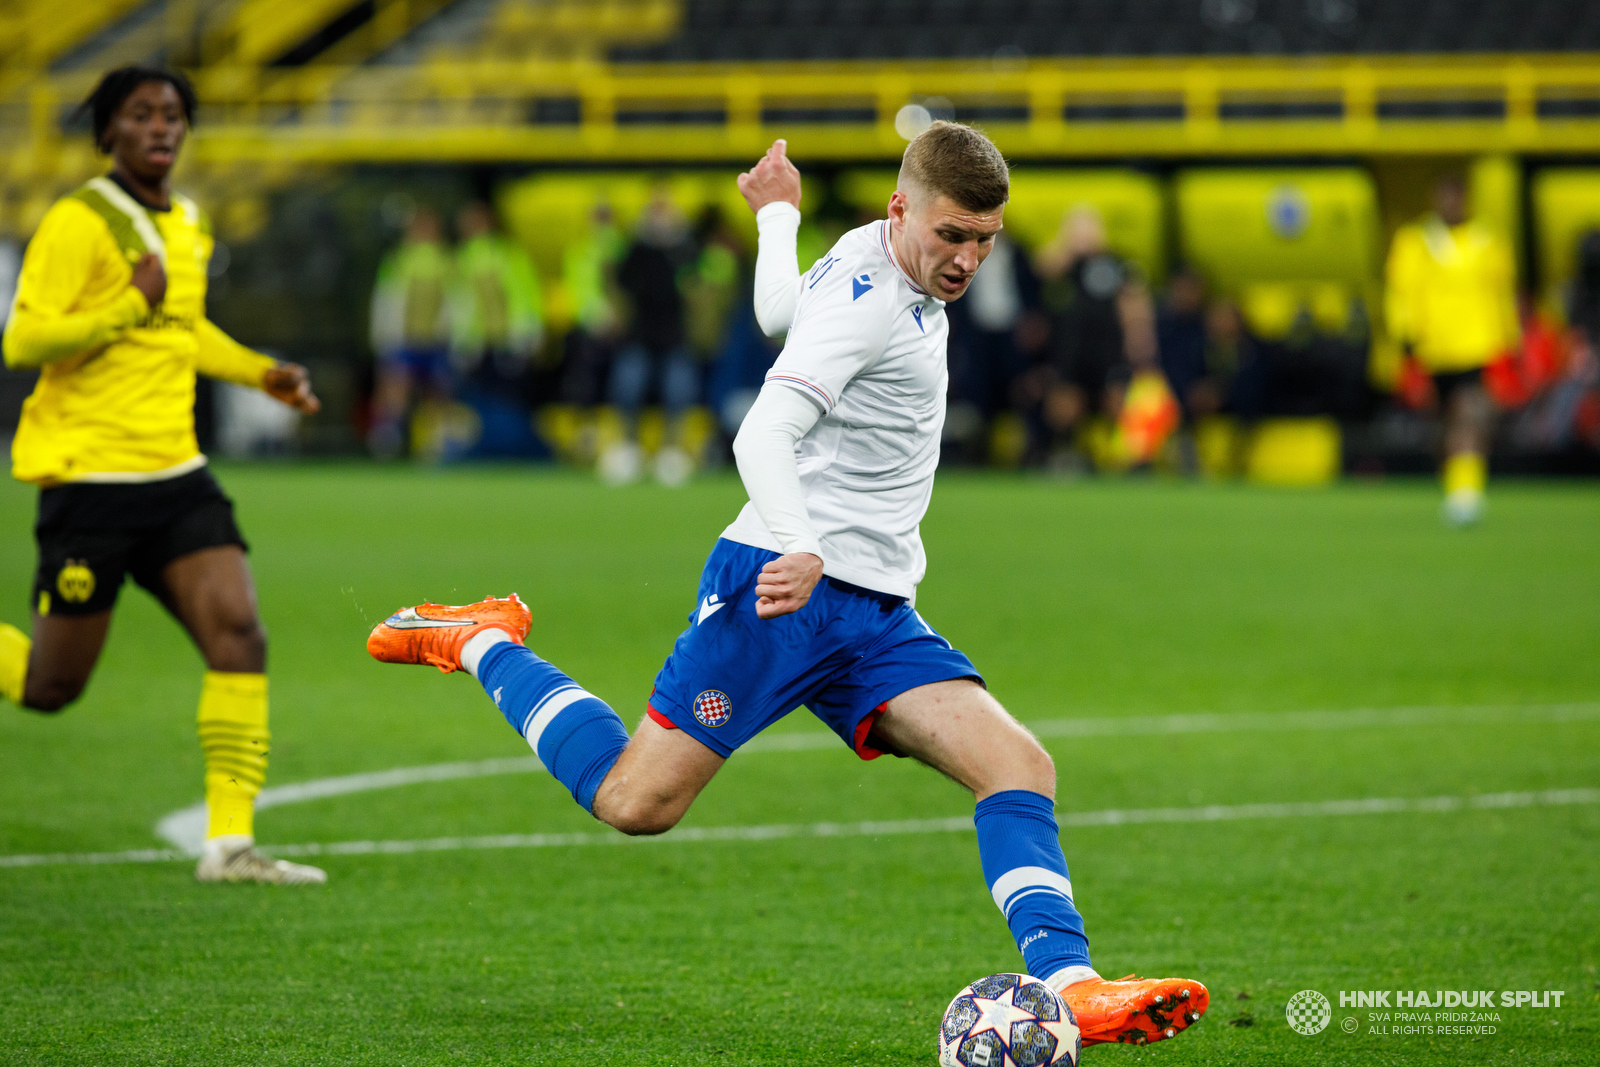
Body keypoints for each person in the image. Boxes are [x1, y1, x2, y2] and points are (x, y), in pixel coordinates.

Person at [365, 128, 1208, 1047]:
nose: (966, 258)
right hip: (783, 593)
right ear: (903, 211)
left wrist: (775, 214)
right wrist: (801, 543)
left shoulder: (868, 253)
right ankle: (482, 638)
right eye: (954, 235)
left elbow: (778, 314)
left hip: (876, 614)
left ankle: (1072, 984)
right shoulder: (870, 303)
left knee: (1019, 767)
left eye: (985, 241)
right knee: (633, 802)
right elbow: (759, 436)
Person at [0, 67, 326, 885]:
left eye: (174, 115)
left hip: (176, 476)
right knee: (50, 686)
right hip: (90, 483)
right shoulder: (79, 221)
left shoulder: (187, 221)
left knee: (240, 634)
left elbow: (183, 330)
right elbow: (23, 342)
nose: (161, 128)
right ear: (106, 131)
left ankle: (229, 845)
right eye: (141, 114)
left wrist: (260, 374)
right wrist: (123, 306)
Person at [1385, 173, 1520, 525]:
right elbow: (1402, 291)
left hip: (1476, 345)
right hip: (1432, 348)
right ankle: (1455, 482)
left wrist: (1509, 340)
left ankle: (1466, 493)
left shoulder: (1487, 241)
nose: (1451, 202)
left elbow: (1502, 294)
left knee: (1469, 414)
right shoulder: (1415, 241)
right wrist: (1406, 340)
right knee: (1443, 424)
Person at [1025, 205, 1158, 468]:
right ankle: (1066, 455)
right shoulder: (1064, 264)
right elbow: (1041, 266)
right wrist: (1067, 244)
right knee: (1065, 404)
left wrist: (1140, 340)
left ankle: (1131, 462)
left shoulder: (1116, 262)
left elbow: (1135, 302)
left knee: (1118, 403)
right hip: (1072, 349)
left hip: (1109, 349)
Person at [603, 187, 700, 486]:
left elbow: (697, 283)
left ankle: (672, 451)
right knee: (628, 388)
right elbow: (618, 281)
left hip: (675, 335)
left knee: (678, 392)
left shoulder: (684, 248)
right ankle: (628, 448)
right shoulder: (636, 249)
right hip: (640, 334)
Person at [368, 205, 454, 458]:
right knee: (396, 386)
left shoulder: (446, 260)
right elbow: (385, 298)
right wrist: (382, 332)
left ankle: (435, 442)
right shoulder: (398, 259)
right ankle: (388, 438)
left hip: (437, 339)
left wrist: (457, 335)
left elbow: (456, 302)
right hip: (403, 336)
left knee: (437, 392)